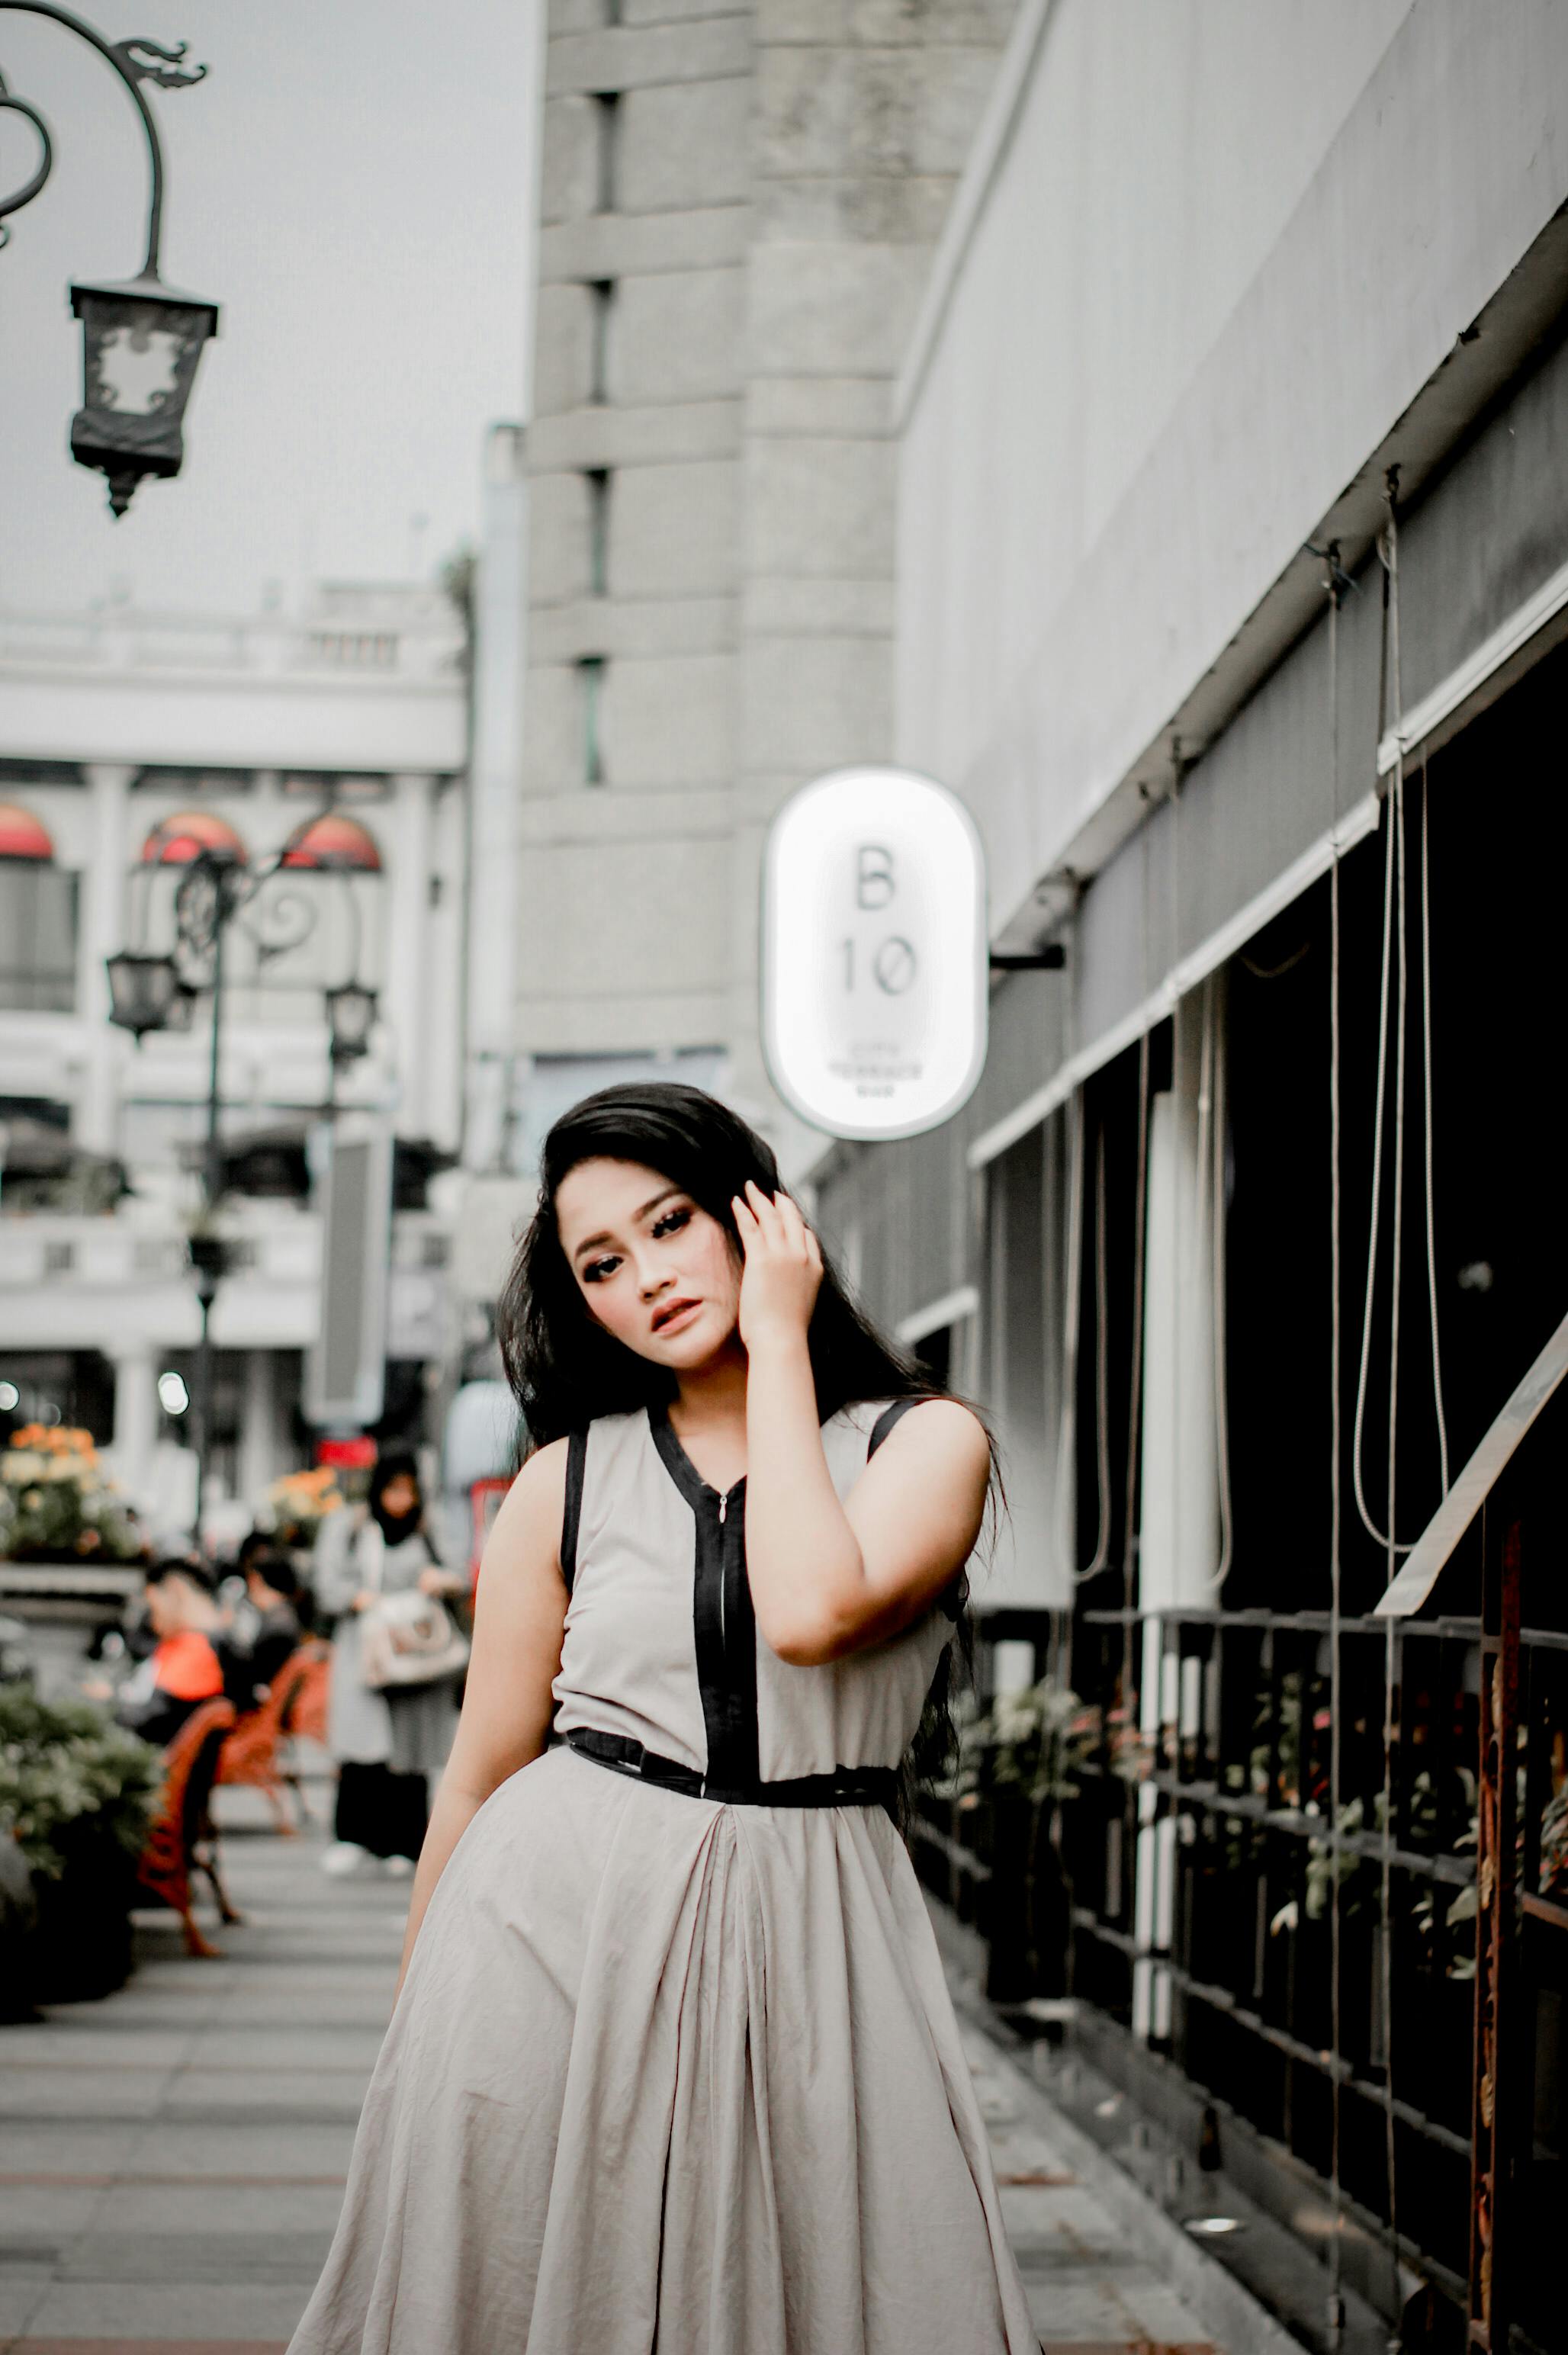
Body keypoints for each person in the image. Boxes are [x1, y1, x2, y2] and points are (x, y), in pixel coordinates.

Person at [288, 1083, 1036, 2354]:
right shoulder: (562, 1482)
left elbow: (810, 1609)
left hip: (815, 1934)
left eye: (672, 1220)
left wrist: (782, 1341)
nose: (645, 1274)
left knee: (847, 2293)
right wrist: (417, 2034)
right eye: (600, 1261)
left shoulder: (925, 1442)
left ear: (758, 1209)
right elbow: (474, 1776)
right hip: (545, 1940)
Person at [316, 1450, 464, 1878]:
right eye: (393, 1488)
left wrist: (441, 1580)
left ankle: (406, 1842)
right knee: (362, 1745)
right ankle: (354, 1837)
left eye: (409, 1490)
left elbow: (461, 1570)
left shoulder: (430, 1527)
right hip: (366, 1651)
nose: (401, 1500)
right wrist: (356, 1598)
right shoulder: (349, 1526)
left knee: (411, 1748)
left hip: (417, 1654)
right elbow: (328, 1585)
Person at [89, 1559, 225, 1749]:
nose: (152, 1622)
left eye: (153, 1608)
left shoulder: (197, 1649)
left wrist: (109, 1701)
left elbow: (151, 1719)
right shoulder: (199, 1644)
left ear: (176, 1591)